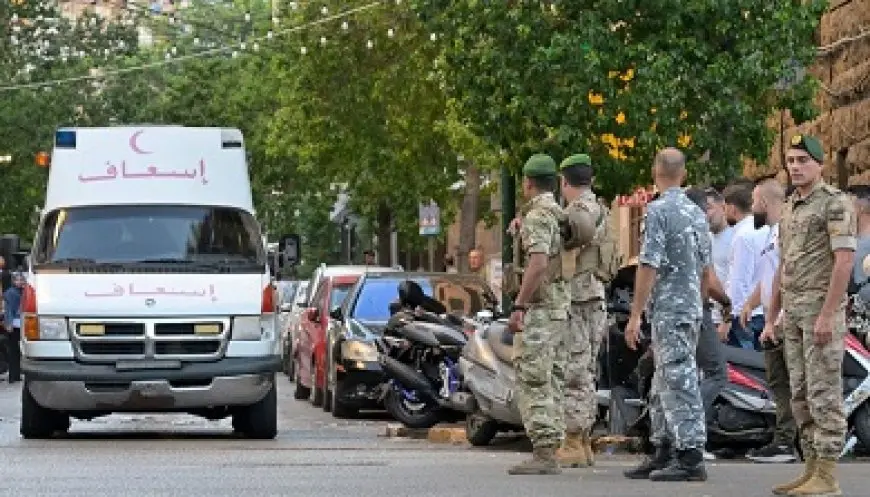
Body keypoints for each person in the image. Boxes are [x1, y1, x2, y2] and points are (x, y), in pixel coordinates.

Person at [767, 134, 855, 496]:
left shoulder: (834, 204)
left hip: (821, 313)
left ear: (819, 164)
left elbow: (844, 260)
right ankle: (811, 468)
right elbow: (783, 265)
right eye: (791, 160)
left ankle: (828, 474)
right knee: (800, 395)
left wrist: (827, 314)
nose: (796, 166)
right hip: (795, 315)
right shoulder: (791, 207)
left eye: (803, 160)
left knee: (824, 394)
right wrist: (772, 316)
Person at [624, 148, 711, 482]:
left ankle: (690, 456)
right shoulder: (697, 213)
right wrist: (700, 306)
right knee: (663, 379)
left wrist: (635, 315)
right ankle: (663, 449)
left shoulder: (657, 211)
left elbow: (649, 264)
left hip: (670, 308)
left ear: (654, 171)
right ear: (683, 174)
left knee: (678, 378)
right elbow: (706, 269)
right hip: (689, 307)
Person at [506, 153, 570, 475]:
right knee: (553, 376)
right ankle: (553, 446)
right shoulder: (557, 213)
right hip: (560, 306)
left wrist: (519, 305)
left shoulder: (538, 216)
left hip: (542, 309)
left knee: (534, 377)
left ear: (528, 182)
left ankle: (544, 453)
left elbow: (539, 262)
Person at [739, 179, 797, 464]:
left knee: (787, 383)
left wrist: (775, 320)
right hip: (772, 318)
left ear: (764, 202)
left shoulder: (785, 232)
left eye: (753, 202)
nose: (752, 209)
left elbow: (786, 279)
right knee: (777, 381)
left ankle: (787, 442)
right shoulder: (772, 235)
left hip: (784, 319)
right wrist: (750, 303)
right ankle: (782, 438)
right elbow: (768, 279)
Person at [554, 153, 606, 468]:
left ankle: (573, 439)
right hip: (596, 295)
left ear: (563, 181)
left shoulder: (577, 210)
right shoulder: (600, 207)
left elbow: (574, 235)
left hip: (577, 296)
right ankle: (583, 439)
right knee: (586, 369)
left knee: (574, 369)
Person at [683, 187, 731, 431]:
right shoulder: (699, 233)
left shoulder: (671, 231)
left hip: (670, 312)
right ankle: (690, 430)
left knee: (681, 375)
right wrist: (726, 302)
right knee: (716, 373)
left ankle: (671, 436)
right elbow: (709, 280)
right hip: (696, 310)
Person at [722, 182, 769, 349]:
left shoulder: (742, 236)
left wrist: (729, 318)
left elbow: (738, 282)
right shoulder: (765, 229)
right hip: (763, 310)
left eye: (724, 208)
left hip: (745, 315)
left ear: (732, 209)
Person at [704, 188, 736, 330]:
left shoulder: (736, 238)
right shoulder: (704, 240)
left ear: (723, 207)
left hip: (730, 319)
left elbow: (738, 282)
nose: (705, 214)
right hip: (709, 318)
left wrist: (727, 319)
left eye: (709, 208)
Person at [3, 272, 24, 383]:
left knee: (18, 351)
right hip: (14, 324)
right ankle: (13, 375)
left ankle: (16, 374)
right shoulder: (11, 293)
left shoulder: (23, 292)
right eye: (17, 280)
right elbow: (8, 310)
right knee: (13, 350)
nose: (19, 282)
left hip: (21, 323)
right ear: (13, 281)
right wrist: (9, 323)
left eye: (21, 280)